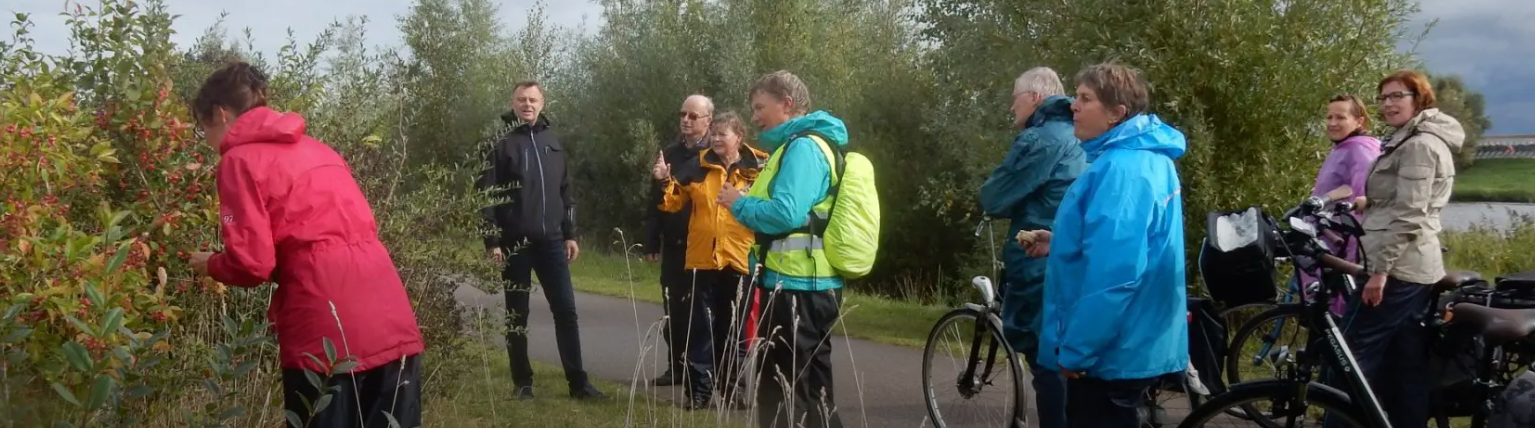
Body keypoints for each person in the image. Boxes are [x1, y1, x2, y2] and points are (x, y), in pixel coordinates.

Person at [186, 61, 424, 428]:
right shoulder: (320, 151)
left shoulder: (238, 161)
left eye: (204, 130)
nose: (209, 143)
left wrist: (212, 264)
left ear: (220, 114)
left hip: (324, 326)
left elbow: (252, 264)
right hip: (391, 316)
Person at [1020, 63, 1188, 427]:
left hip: (1112, 352)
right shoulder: (1145, 158)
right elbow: (1122, 243)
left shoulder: (1123, 170)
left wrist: (1077, 352)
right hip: (1131, 341)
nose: (1073, 106)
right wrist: (1060, 241)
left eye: (1085, 98)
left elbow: (1115, 273)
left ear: (1116, 114)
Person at [1333, 69, 1465, 428]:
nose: (1388, 104)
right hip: (1410, 269)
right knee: (1405, 365)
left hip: (1398, 270)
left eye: (1398, 96)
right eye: (1384, 97)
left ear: (1419, 99)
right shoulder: (1408, 138)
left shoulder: (1420, 145)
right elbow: (1401, 198)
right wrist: (1364, 202)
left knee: (1350, 361)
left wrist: (1380, 272)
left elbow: (1411, 215)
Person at [717, 70, 846, 428]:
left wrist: (738, 204)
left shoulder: (803, 147)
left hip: (797, 286)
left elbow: (786, 213)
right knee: (815, 389)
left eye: (760, 107)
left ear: (787, 104)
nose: (755, 116)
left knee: (783, 386)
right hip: (809, 283)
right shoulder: (807, 143)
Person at [477, 80, 607, 401]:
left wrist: (570, 233)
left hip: (552, 242)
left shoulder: (553, 141)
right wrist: (492, 241)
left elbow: (566, 192)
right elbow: (486, 195)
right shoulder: (500, 143)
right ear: (513, 102)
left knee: (566, 311)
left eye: (533, 99)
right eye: (521, 99)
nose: (527, 104)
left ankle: (578, 384)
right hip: (514, 244)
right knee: (516, 315)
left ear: (542, 103)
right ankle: (523, 383)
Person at [977, 67, 1083, 428]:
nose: (1011, 107)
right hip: (1077, 256)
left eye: (1015, 98)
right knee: (1073, 355)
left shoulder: (1041, 138)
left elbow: (994, 196)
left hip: (1039, 261)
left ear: (1036, 97)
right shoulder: (1080, 133)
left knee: (1045, 360)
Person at [657, 111, 767, 410]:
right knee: (700, 328)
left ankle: (734, 391)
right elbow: (672, 201)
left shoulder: (759, 166)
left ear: (739, 137)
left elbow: (772, 205)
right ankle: (700, 393)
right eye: (714, 134)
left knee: (735, 328)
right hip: (702, 259)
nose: (717, 139)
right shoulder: (697, 165)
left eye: (723, 134)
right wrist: (664, 180)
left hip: (740, 258)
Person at [646, 95, 714, 387]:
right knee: (673, 309)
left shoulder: (714, 154)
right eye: (683, 114)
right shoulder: (669, 154)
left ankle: (704, 373)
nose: (686, 120)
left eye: (693, 116)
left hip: (705, 245)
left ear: (708, 121)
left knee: (702, 311)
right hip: (674, 243)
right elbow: (654, 200)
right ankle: (675, 367)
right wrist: (651, 240)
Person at [1302, 94, 1381, 315]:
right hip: (1330, 236)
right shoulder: (1344, 147)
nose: (1332, 123)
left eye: (1340, 117)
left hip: (1344, 243)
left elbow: (1362, 195)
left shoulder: (1360, 150)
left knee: (1337, 307)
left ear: (1359, 121)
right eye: (1329, 117)